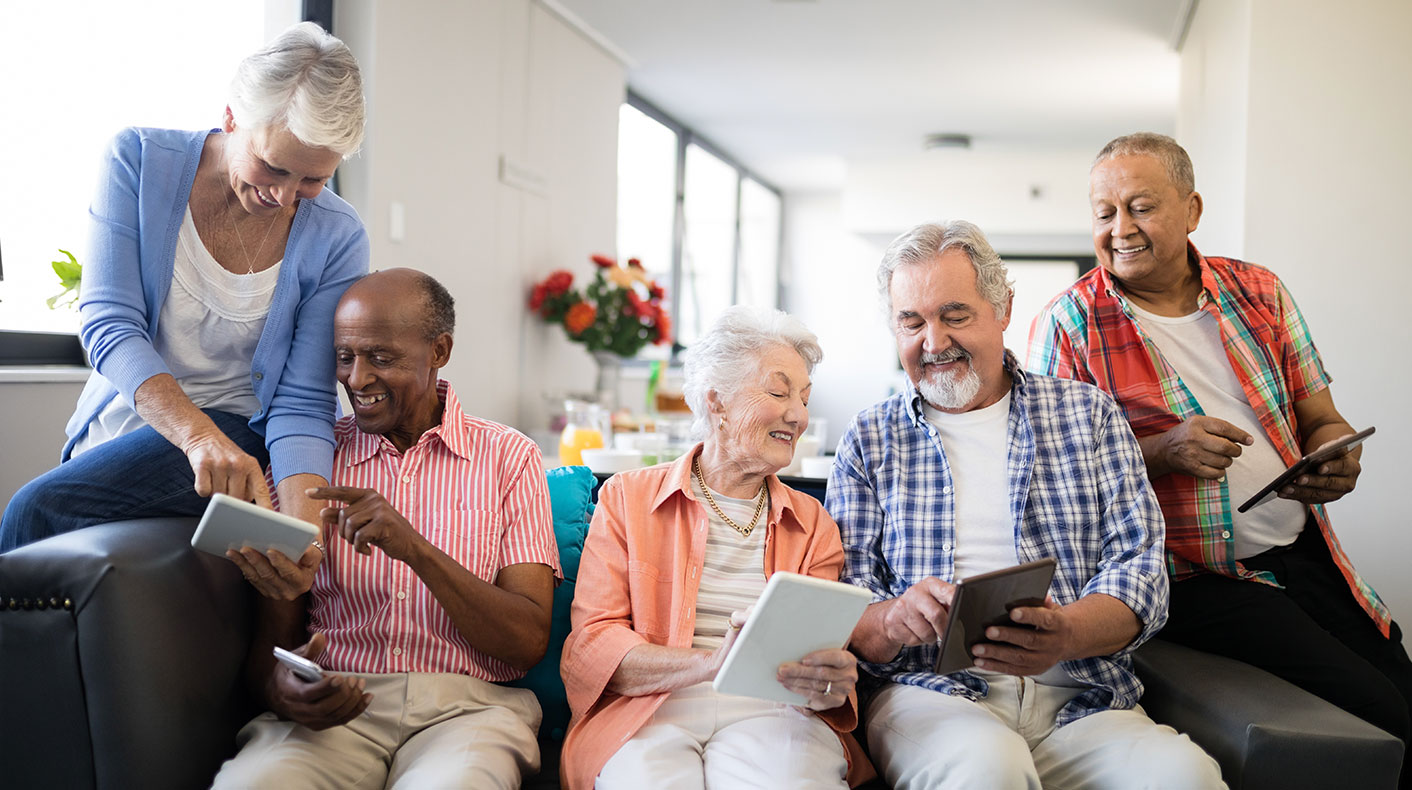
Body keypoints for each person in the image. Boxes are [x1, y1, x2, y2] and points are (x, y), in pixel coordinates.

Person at [1027, 131, 1412, 782]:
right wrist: (1161, 450)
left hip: (1307, 552)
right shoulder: (1068, 325)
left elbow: (1319, 415)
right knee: (1382, 714)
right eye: (1104, 212)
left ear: (1192, 211)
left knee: (1401, 685)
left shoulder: (1259, 290)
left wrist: (1331, 453)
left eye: (1141, 207)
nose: (1120, 228)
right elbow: (1048, 482)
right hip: (1195, 580)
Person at [830, 220, 1223, 789]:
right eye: (911, 322)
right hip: (932, 697)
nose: (933, 342)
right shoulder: (870, 438)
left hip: (1084, 699)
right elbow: (846, 612)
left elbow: (1142, 575)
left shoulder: (1088, 415)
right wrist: (894, 618)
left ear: (1003, 308)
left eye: (955, 315)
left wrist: (1066, 632)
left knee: (1185, 777)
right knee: (986, 767)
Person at [1, 22, 369, 554]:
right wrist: (197, 436)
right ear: (231, 118)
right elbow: (108, 322)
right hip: (139, 430)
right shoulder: (139, 160)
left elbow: (302, 400)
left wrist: (305, 538)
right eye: (273, 166)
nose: (285, 196)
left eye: (312, 180)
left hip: (243, 440)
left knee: (32, 511)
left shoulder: (339, 234)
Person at [211, 268, 561, 789]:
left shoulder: (508, 457)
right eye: (345, 357)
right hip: (339, 707)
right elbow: (272, 647)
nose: (356, 379)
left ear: (438, 351)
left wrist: (415, 549)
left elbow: (526, 641)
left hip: (467, 710)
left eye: (381, 357)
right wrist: (284, 689)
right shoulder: (308, 461)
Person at [561, 306, 867, 790]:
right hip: (650, 709)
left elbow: (820, 664)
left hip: (773, 711)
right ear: (718, 402)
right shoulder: (628, 497)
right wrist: (709, 664)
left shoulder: (814, 525)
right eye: (778, 392)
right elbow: (593, 647)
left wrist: (831, 681)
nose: (798, 415)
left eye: (805, 398)